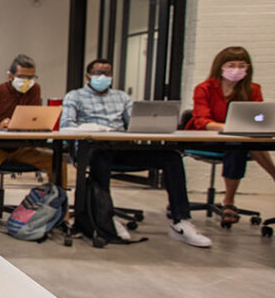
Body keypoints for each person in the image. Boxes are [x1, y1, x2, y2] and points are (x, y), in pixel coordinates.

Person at [61, 58, 211, 247]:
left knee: (171, 157)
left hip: (121, 147)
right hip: (93, 149)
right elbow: (66, 126)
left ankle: (181, 221)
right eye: (98, 73)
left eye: (107, 73)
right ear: (88, 76)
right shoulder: (75, 96)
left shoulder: (122, 97)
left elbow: (135, 123)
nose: (103, 77)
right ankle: (105, 217)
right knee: (101, 156)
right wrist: (96, 130)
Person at [187, 46, 275, 224]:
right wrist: (228, 127)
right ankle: (229, 201)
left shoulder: (252, 89)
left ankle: (229, 200)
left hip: (238, 140)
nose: (237, 70)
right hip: (206, 138)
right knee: (239, 145)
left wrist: (250, 126)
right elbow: (202, 121)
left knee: (240, 145)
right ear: (221, 66)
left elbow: (258, 116)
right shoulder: (204, 88)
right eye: (232, 65)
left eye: (242, 65)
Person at [0, 54, 65, 206]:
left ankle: (58, 204)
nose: (26, 81)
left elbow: (33, 115)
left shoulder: (35, 90)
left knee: (56, 161)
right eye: (22, 77)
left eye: (31, 77)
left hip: (22, 148)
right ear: (10, 76)